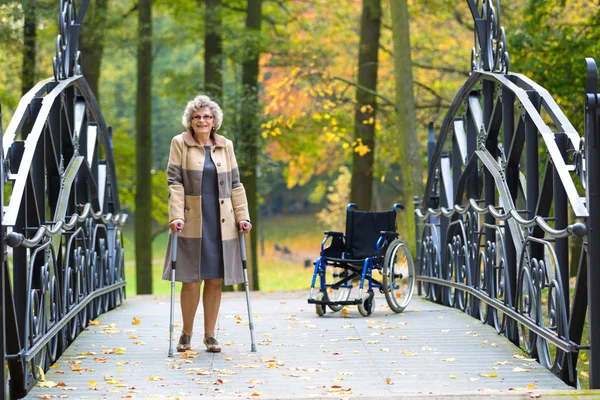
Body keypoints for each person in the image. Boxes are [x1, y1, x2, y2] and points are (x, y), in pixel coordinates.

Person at [162, 95, 252, 353]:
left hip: (221, 224)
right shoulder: (180, 143)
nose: (202, 121)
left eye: (207, 117)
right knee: (191, 280)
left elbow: (236, 184)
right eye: (197, 117)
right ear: (190, 121)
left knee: (215, 279)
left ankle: (210, 335)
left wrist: (242, 217)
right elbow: (175, 182)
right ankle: (186, 333)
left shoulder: (226, 146)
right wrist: (176, 215)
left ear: (214, 122)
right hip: (191, 221)